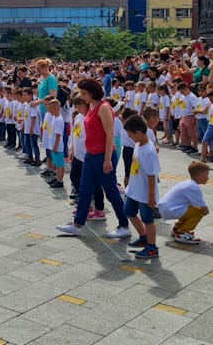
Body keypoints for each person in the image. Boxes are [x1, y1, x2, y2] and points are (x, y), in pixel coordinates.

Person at [56, 79, 131, 239]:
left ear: (92, 92)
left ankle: (124, 225)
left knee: (111, 192)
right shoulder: (91, 106)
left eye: (84, 93)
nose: (82, 97)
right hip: (90, 154)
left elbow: (109, 134)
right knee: (85, 190)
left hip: (102, 155)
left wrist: (107, 159)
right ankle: (78, 225)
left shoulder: (104, 107)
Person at [123, 115, 161, 258]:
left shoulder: (149, 152)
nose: (130, 138)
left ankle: (152, 247)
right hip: (134, 190)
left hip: (145, 194)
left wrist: (151, 197)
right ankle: (143, 237)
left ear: (138, 133)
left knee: (148, 220)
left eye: (131, 135)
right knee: (129, 211)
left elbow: (152, 176)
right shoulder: (138, 145)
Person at [158, 161, 210, 245]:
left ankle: (177, 228)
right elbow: (204, 208)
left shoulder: (188, 183)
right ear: (201, 175)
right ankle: (182, 233)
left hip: (166, 208)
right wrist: (205, 211)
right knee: (199, 212)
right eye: (207, 175)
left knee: (191, 209)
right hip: (171, 209)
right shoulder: (194, 187)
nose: (208, 178)